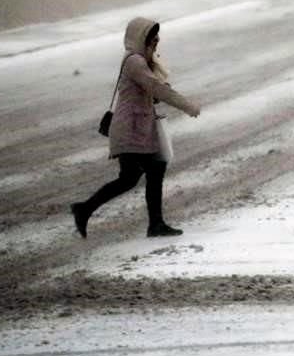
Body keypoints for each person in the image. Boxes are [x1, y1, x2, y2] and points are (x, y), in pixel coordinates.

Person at [72, 17, 201, 238]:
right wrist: (187, 106)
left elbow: (149, 90)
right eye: (152, 37)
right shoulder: (135, 62)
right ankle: (86, 209)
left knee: (142, 174)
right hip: (130, 130)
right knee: (135, 176)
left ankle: (152, 223)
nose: (156, 41)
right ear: (141, 38)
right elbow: (155, 87)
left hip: (137, 128)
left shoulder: (140, 61)